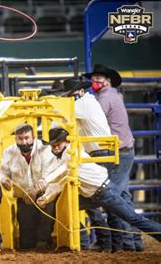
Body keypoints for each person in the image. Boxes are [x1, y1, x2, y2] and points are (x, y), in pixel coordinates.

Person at [36, 127, 161, 243]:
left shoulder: (72, 151)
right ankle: (85, 244)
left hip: (105, 192)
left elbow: (64, 170)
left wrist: (46, 180)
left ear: (66, 142)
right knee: (65, 207)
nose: (55, 147)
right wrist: (46, 197)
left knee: (133, 218)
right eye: (53, 145)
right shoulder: (64, 157)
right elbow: (59, 182)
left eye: (58, 143)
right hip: (95, 195)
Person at [83, 64, 142, 252]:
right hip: (125, 149)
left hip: (119, 151)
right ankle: (133, 242)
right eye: (94, 79)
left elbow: (93, 117)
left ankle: (126, 242)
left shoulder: (104, 99)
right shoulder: (112, 95)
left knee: (114, 196)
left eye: (99, 79)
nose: (95, 82)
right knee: (122, 195)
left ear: (107, 81)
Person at [56, 77, 113, 252]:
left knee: (99, 199)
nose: (70, 98)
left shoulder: (83, 105)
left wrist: (49, 100)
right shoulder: (86, 103)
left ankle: (107, 242)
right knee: (104, 199)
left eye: (71, 95)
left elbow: (61, 113)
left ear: (80, 92)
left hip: (99, 153)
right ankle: (110, 242)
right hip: (98, 152)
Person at [0, 124, 54, 249]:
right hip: (23, 196)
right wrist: (4, 179)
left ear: (33, 137)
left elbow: (48, 176)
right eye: (20, 138)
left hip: (44, 195)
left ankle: (44, 242)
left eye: (27, 138)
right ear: (15, 139)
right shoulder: (9, 152)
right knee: (26, 240)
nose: (24, 142)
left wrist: (35, 191)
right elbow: (2, 172)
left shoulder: (45, 149)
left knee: (47, 212)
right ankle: (30, 244)